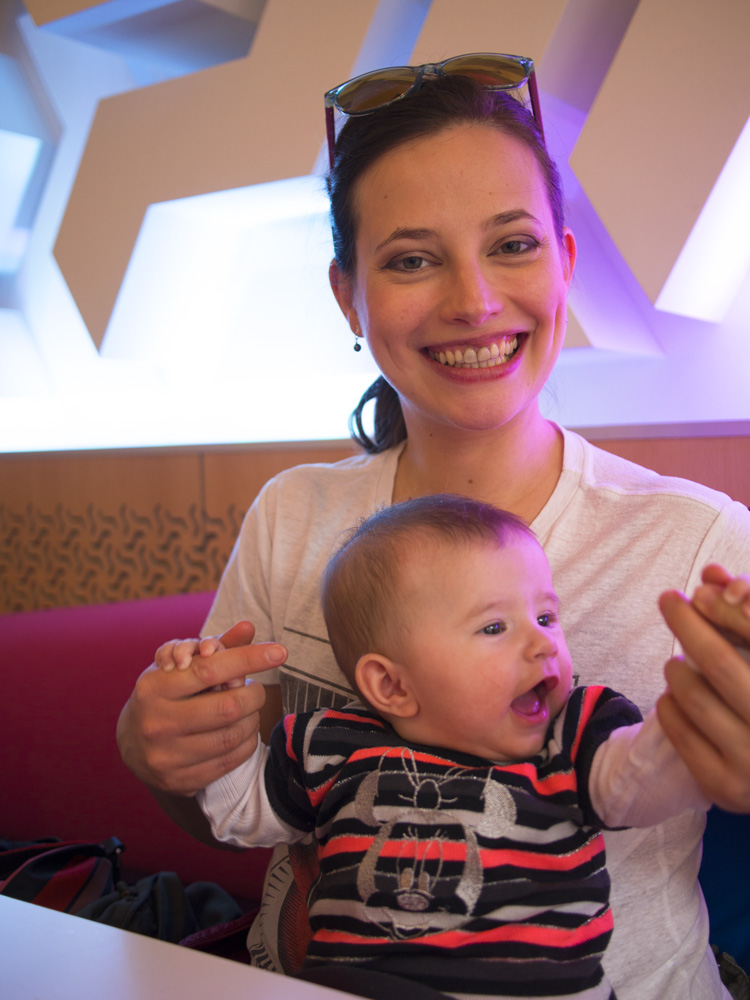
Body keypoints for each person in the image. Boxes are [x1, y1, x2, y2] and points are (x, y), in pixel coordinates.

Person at [115, 54, 750, 1000]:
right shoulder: (294, 515)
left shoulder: (698, 545)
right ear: (348, 296)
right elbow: (231, 803)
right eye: (412, 259)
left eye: (513, 245)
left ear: (566, 264)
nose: (475, 302)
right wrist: (159, 752)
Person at [157, 494, 713, 1000]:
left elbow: (640, 781)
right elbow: (238, 813)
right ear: (392, 686)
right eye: (494, 627)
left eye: (545, 616)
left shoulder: (571, 737)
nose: (543, 641)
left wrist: (697, 709)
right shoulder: (331, 747)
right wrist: (210, 712)